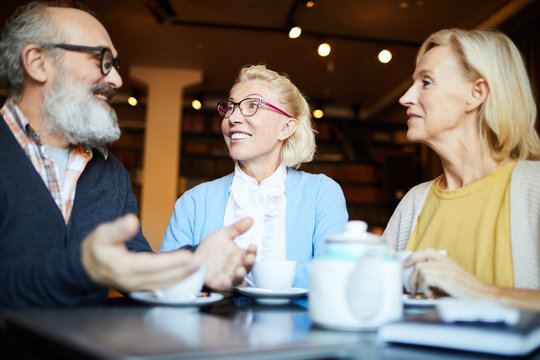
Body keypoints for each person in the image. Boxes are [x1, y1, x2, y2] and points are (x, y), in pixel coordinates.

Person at [0, 1, 256, 309]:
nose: (117, 81)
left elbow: (133, 265)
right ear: (38, 62)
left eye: (114, 65)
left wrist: (194, 262)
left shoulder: (110, 171)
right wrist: (83, 268)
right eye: (101, 60)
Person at [383, 28, 540, 310]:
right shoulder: (414, 202)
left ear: (476, 93)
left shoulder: (535, 187)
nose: (405, 97)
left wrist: (478, 291)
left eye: (426, 82)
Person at [161, 64, 348, 288]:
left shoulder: (322, 194)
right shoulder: (193, 202)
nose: (233, 118)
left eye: (252, 105)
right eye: (230, 107)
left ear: (286, 128)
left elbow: (334, 275)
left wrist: (245, 277)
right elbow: (165, 280)